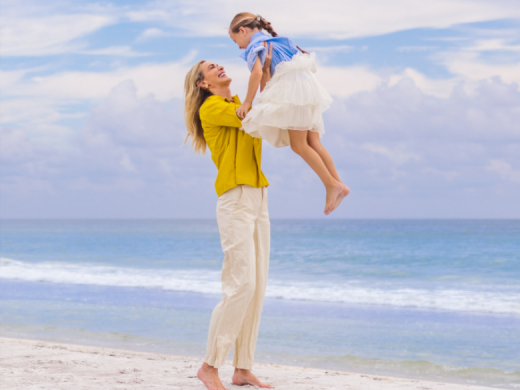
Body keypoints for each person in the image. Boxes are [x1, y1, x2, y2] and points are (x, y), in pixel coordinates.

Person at [183, 53, 275, 390]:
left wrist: (267, 67)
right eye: (211, 68)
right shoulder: (212, 108)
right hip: (235, 199)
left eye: (218, 64)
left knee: (258, 287)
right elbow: (249, 114)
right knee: (241, 285)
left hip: (258, 195)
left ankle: (243, 368)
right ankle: (209, 366)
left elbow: (261, 107)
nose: (220, 66)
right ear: (203, 84)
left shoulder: (239, 103)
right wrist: (256, 71)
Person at [229, 12, 350, 215]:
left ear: (243, 31)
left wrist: (248, 102)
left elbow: (258, 74)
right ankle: (339, 184)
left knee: (299, 145)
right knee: (314, 143)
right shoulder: (281, 41)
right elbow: (268, 76)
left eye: (236, 41)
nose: (239, 46)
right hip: (309, 90)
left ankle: (331, 185)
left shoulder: (255, 46)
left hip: (294, 92)